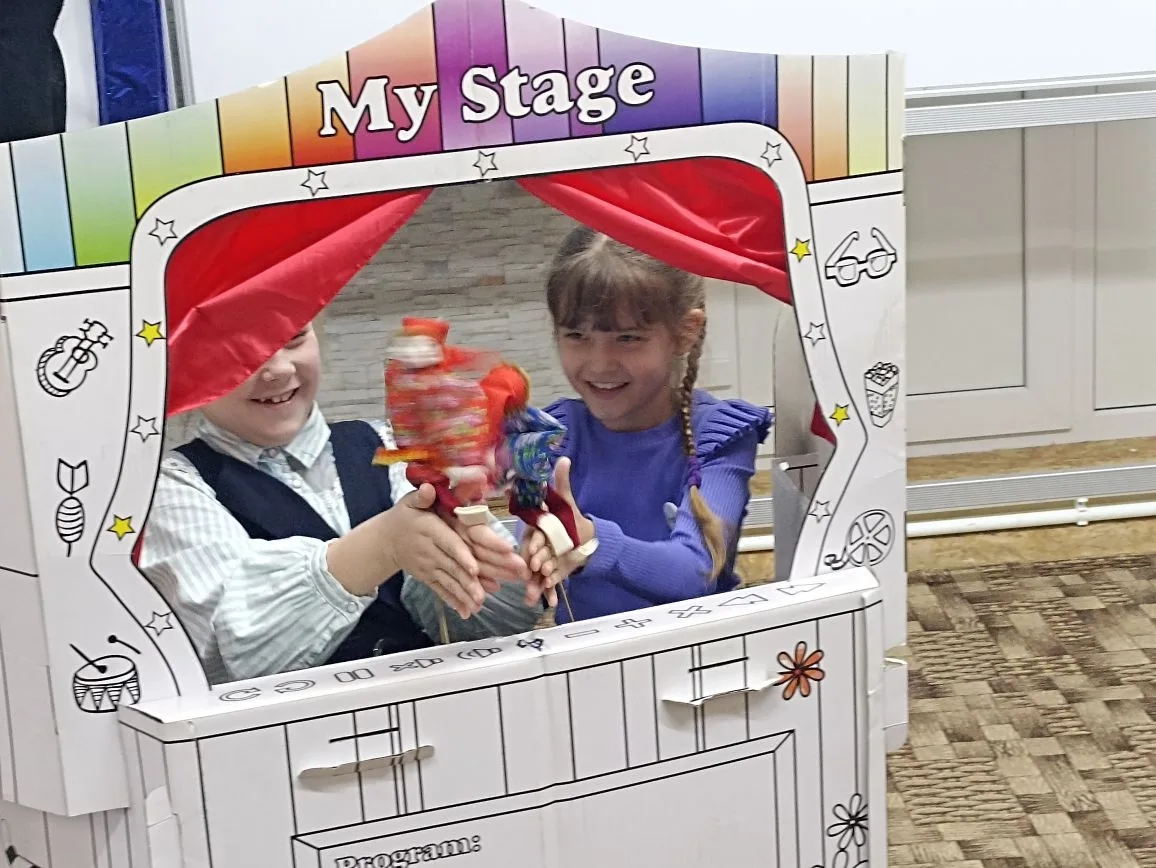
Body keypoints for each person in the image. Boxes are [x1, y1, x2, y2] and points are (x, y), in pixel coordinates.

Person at [138, 321, 541, 686]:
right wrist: (384, 545)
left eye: (293, 337)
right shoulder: (169, 489)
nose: (278, 369)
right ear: (187, 365)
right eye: (238, 351)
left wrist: (520, 563)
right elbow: (240, 647)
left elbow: (501, 625)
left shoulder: (389, 446)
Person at [520, 227, 773, 622]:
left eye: (628, 338)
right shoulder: (553, 435)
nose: (599, 363)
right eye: (576, 335)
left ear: (685, 333)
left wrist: (593, 542)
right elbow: (526, 563)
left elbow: (695, 572)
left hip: (699, 654)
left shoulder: (719, 437)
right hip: (589, 655)